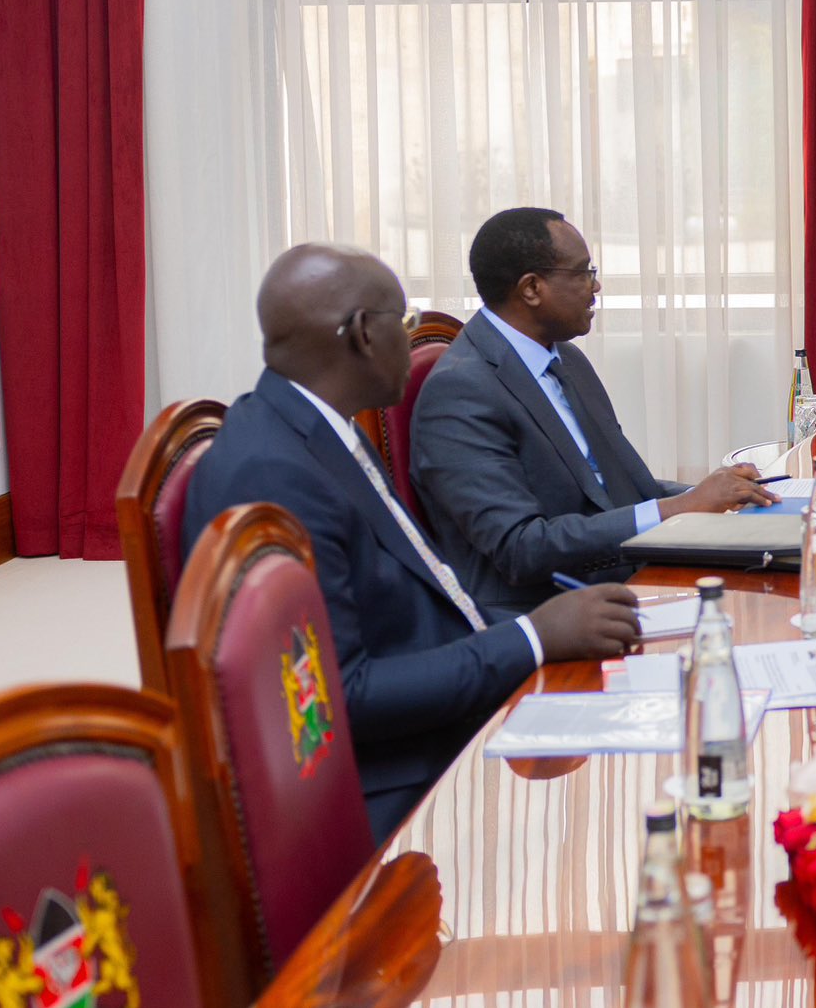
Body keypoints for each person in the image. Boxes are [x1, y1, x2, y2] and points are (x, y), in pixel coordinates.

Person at [180, 245, 641, 838]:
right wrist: (534, 636)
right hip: (398, 778)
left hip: (448, 703)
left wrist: (549, 628)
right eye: (403, 321)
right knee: (616, 812)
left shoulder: (322, 426)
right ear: (364, 337)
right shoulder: (274, 473)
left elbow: (423, 599)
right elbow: (342, 696)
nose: (417, 338)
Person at [411, 207, 777, 613]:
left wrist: (726, 496)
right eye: (583, 272)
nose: (596, 285)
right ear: (532, 288)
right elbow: (520, 548)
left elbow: (624, 488)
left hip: (624, 578)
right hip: (545, 611)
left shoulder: (565, 358)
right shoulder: (460, 390)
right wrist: (679, 508)